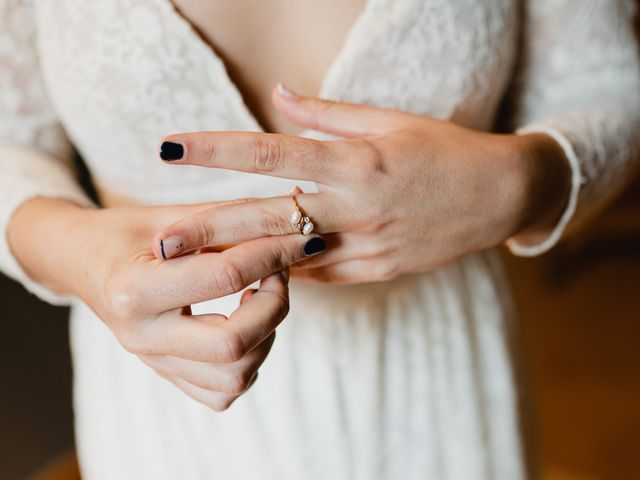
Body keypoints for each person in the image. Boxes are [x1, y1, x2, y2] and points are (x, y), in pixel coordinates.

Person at [1, 1, 638, 479]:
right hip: (168, 393)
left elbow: (604, 82)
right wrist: (79, 251)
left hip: (441, 371)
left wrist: (522, 180)